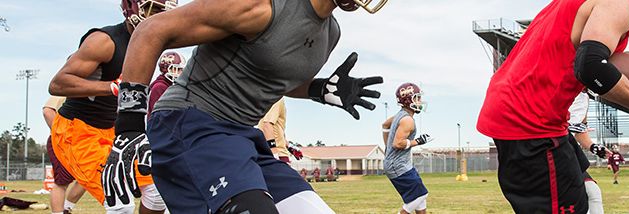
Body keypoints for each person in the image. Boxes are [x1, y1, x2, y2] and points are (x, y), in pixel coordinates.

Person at [108, 0, 387, 213]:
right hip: (191, 123)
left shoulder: (331, 32)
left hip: (242, 137)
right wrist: (129, 126)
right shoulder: (262, 5)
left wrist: (319, 89)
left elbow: (276, 75)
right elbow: (152, 29)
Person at [475, 0, 629, 212]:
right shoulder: (620, 4)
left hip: (526, 111)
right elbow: (591, 68)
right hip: (532, 121)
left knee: (590, 192)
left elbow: (577, 55)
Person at [47, 0, 175, 213]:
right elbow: (58, 83)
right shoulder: (104, 41)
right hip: (77, 130)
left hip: (113, 131)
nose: (161, 16)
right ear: (133, 7)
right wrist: (112, 87)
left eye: (165, 10)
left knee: (157, 192)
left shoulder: (151, 42)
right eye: (155, 9)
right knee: (120, 201)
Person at [381, 83, 432, 214]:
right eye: (417, 98)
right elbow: (398, 144)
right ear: (408, 100)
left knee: (421, 202)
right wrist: (418, 141)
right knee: (420, 195)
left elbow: (385, 125)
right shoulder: (408, 120)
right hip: (397, 165)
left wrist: (387, 148)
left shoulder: (400, 115)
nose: (420, 101)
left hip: (400, 163)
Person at [567, 91, 609, 214]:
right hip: (549, 150)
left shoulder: (584, 99)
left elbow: (581, 132)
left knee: (593, 191)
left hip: (567, 152)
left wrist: (594, 147)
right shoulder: (558, 87)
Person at [43, 96, 86, 214]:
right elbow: (48, 110)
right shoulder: (68, 87)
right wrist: (61, 135)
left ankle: (66, 208)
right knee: (62, 181)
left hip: (83, 142)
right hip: (62, 142)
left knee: (87, 178)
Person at [147, 51, 185, 119]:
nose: (181, 72)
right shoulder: (160, 87)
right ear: (170, 69)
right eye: (178, 69)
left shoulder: (165, 85)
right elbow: (160, 116)